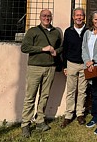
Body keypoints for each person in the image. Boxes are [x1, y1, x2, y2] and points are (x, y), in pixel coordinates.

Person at [20, 9, 62, 138]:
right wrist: (42, 49)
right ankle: (25, 124)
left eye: (49, 16)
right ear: (40, 17)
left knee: (44, 96)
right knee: (30, 96)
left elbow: (61, 47)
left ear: (51, 17)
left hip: (50, 68)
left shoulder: (56, 32)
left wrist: (57, 51)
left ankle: (40, 121)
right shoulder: (33, 31)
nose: (46, 18)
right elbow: (24, 47)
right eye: (44, 16)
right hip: (35, 67)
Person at [61, 8, 88, 128]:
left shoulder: (89, 31)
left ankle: (80, 114)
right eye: (77, 15)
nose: (79, 17)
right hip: (71, 64)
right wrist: (65, 66)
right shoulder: (68, 31)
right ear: (73, 17)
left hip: (85, 64)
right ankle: (68, 115)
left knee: (82, 91)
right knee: (71, 91)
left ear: (84, 17)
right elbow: (64, 49)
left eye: (81, 15)